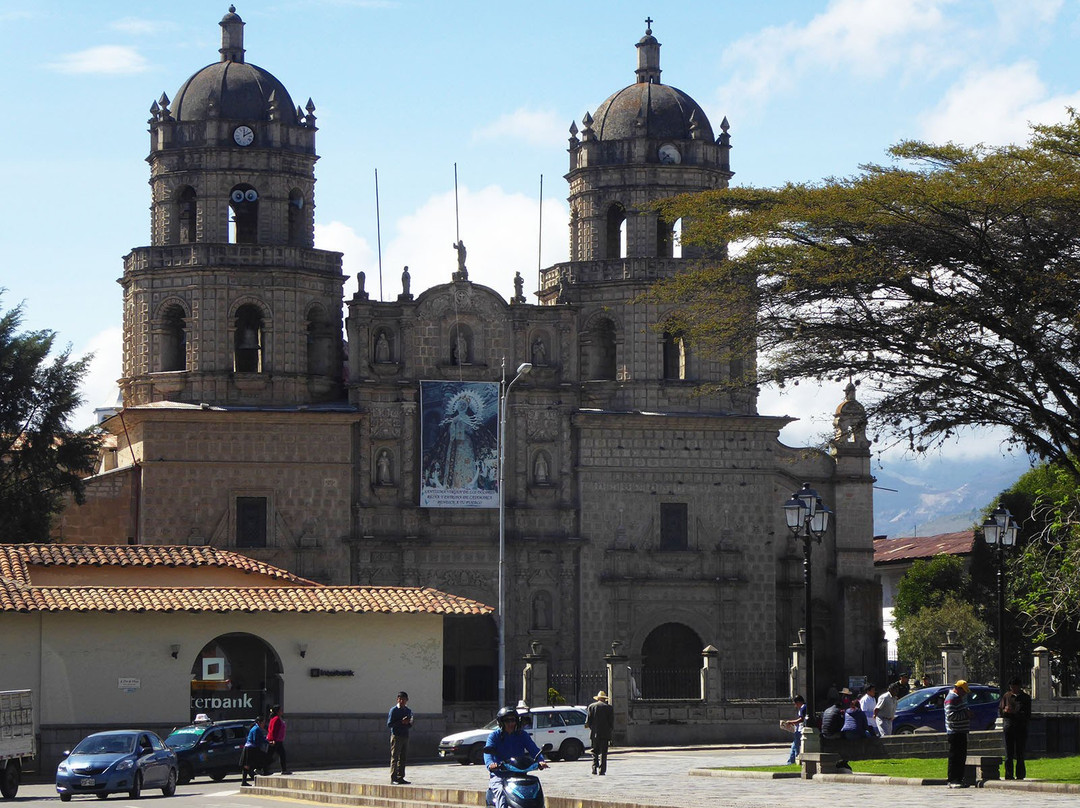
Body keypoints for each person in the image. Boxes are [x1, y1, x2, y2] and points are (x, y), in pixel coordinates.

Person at [484, 706, 547, 808]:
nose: (510, 724)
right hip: (500, 776)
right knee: (501, 794)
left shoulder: (522, 735)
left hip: (520, 774)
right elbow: (488, 752)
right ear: (501, 722)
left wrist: (540, 761)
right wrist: (490, 764)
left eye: (512, 720)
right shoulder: (494, 736)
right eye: (507, 721)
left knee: (535, 791)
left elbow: (533, 749)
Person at [1000, 676, 1031, 780]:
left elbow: (1027, 714)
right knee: (1008, 752)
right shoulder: (1006, 696)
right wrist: (1005, 711)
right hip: (1009, 726)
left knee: (1020, 752)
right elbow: (1000, 711)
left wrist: (1014, 712)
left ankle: (1020, 774)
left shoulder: (1025, 698)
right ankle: (1009, 774)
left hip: (1020, 727)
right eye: (1011, 687)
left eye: (1015, 686)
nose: (1013, 689)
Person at [944, 680, 971, 788]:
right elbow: (951, 716)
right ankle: (953, 780)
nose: (964, 694)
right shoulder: (952, 698)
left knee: (960, 757)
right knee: (955, 757)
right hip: (955, 731)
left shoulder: (958, 698)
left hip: (961, 731)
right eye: (963, 691)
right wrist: (966, 714)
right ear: (958, 688)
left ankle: (959, 779)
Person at [585, 690, 615, 775]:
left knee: (594, 751)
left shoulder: (591, 707)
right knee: (603, 753)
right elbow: (611, 723)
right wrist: (609, 731)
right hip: (605, 734)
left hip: (594, 733)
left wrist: (593, 729)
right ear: (604, 699)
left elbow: (588, 722)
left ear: (598, 698)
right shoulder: (609, 708)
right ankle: (602, 770)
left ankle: (594, 768)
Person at [387, 691, 413, 784]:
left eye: (404, 699)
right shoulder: (393, 710)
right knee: (395, 757)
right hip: (396, 736)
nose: (402, 701)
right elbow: (389, 724)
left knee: (403, 757)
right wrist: (400, 722)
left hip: (405, 735)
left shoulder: (408, 710)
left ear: (407, 700)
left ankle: (400, 777)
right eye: (400, 699)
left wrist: (408, 723)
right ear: (397, 699)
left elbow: (410, 724)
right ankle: (393, 778)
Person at [240, 716, 267, 786]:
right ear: (259, 722)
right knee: (249, 764)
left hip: (249, 747)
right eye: (263, 723)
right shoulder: (256, 729)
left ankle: (245, 781)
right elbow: (256, 740)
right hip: (250, 748)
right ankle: (260, 771)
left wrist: (267, 741)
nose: (264, 724)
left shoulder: (256, 728)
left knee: (247, 765)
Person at [782, 694, 806, 765]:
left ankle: (794, 760)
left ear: (798, 702)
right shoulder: (803, 707)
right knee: (794, 745)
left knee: (796, 746)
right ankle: (791, 761)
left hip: (800, 730)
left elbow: (801, 719)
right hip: (799, 729)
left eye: (796, 703)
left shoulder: (803, 707)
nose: (795, 706)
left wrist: (791, 722)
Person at [267, 705, 290, 775]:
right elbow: (273, 730)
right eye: (280, 710)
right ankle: (262, 768)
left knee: (282, 754)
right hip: (275, 740)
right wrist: (273, 739)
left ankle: (284, 770)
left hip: (279, 740)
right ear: (277, 711)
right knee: (269, 755)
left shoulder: (276, 718)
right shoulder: (276, 719)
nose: (282, 711)